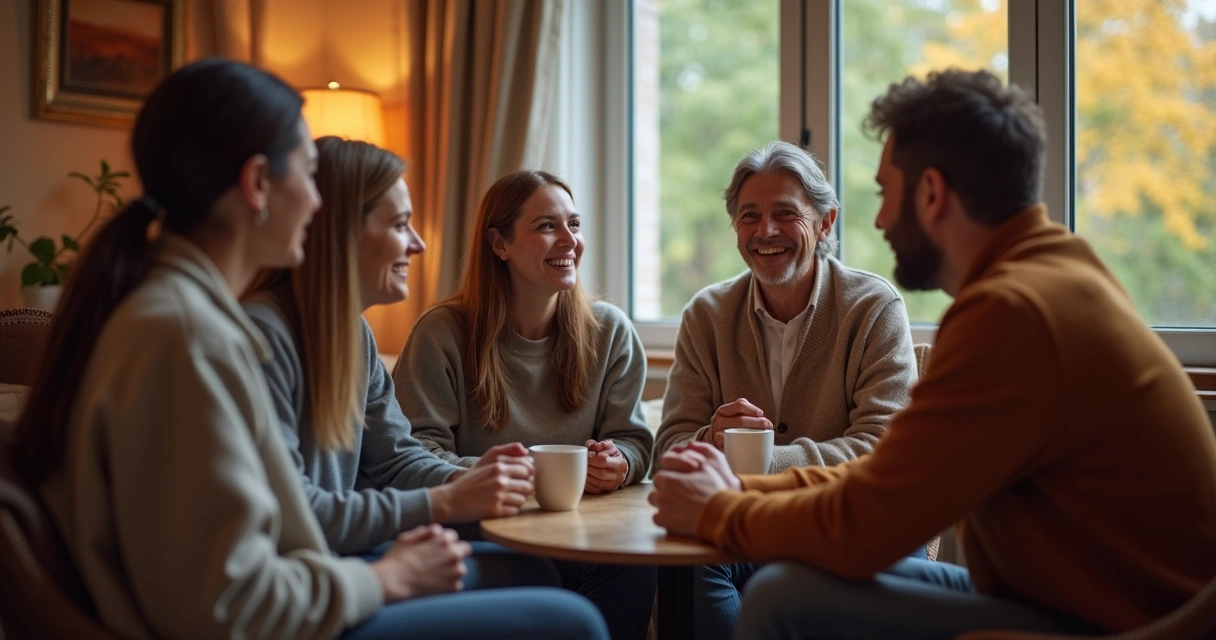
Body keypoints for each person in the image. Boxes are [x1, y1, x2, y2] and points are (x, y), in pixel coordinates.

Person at [12, 58, 608, 640]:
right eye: (306, 173)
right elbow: (229, 605)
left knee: (530, 573)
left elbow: (286, 523)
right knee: (574, 620)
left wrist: (451, 500)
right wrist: (384, 578)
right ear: (257, 185)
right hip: (279, 615)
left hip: (298, 589)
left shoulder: (191, 319)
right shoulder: (193, 339)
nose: (319, 204)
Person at [650, 68, 1216, 640]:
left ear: (931, 193)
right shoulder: (1048, 272)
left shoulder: (1013, 311)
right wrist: (734, 492)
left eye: (884, 192)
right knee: (780, 589)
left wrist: (720, 509)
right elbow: (882, 480)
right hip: (1063, 598)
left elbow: (872, 516)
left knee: (783, 598)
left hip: (1130, 625)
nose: (878, 219)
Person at [243, 136, 560, 590]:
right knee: (565, 615)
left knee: (532, 571)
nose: (418, 244)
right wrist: (447, 500)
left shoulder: (354, 336)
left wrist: (472, 478)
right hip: (301, 586)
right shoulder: (261, 339)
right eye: (399, 225)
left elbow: (396, 461)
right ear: (341, 232)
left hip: (338, 561)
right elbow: (298, 514)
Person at [654, 140, 919, 639]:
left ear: (825, 223)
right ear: (735, 229)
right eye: (749, 216)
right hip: (747, 532)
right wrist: (711, 441)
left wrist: (760, 461)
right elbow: (669, 449)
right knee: (683, 563)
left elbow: (883, 449)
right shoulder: (706, 315)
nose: (765, 231)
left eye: (784, 214)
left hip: (847, 530)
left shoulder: (874, 307)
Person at [395, 170, 657, 640]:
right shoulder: (441, 335)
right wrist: (522, 478)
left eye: (574, 225)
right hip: (486, 531)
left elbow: (634, 441)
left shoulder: (610, 331)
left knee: (636, 566)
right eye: (546, 226)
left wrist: (619, 462)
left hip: (580, 533)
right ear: (499, 244)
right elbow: (415, 456)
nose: (569, 241)